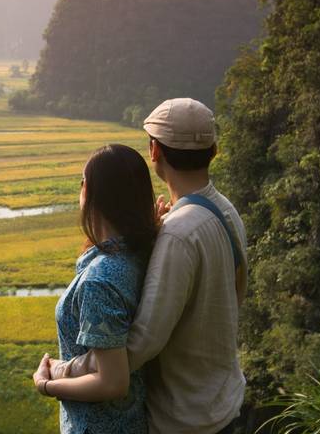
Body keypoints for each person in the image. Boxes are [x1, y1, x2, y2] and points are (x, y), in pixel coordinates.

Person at [51, 98, 248, 434]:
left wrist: (60, 373)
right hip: (221, 400)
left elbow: (141, 344)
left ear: (154, 151)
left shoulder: (178, 234)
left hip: (184, 416)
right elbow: (236, 291)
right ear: (213, 150)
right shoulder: (224, 211)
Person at [31, 143, 160, 434]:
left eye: (82, 181)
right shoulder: (137, 252)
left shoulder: (101, 279)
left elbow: (112, 382)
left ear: (91, 192)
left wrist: (47, 385)